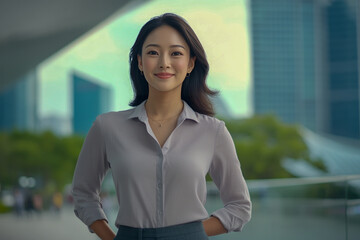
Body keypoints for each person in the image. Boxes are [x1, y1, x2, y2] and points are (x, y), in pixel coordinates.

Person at [71, 13, 251, 240]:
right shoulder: (107, 127)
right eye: (153, 53)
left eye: (176, 53)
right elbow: (83, 192)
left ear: (190, 63)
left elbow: (240, 206)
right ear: (139, 61)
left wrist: (190, 233)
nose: (164, 62)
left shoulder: (213, 131)